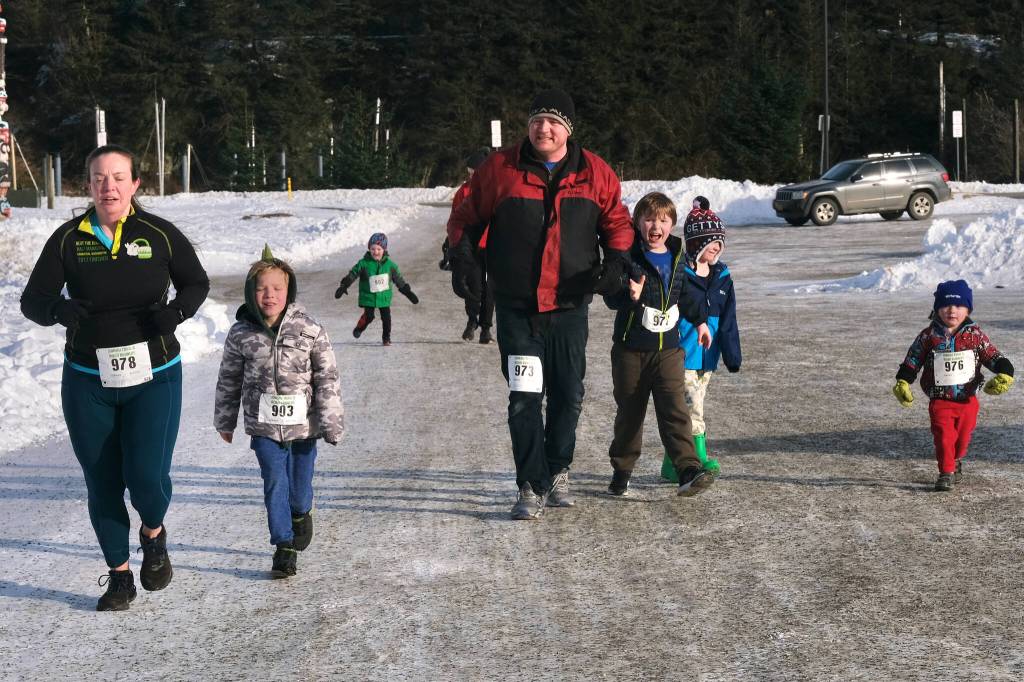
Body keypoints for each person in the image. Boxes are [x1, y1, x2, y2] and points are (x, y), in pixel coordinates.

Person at [20, 144, 210, 611]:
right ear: (88, 185)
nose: (109, 186)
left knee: (146, 478)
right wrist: (56, 308)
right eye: (100, 178)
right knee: (102, 481)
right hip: (88, 380)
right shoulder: (68, 239)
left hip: (155, 375)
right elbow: (32, 299)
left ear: (135, 184)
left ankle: (154, 532)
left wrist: (177, 312)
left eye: (118, 177)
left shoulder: (158, 235)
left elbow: (196, 282)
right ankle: (120, 577)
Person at [447, 88, 634, 520]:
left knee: (568, 394)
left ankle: (557, 470)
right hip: (517, 309)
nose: (543, 128)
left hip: (570, 308)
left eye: (553, 121)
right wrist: (465, 258)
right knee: (525, 396)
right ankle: (530, 485)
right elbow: (466, 218)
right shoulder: (501, 169)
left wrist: (618, 261)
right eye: (536, 120)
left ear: (568, 128)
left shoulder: (595, 173)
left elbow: (617, 223)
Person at [214, 245, 344, 577]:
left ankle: (301, 512)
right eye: (261, 289)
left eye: (277, 288)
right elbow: (229, 378)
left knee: (299, 486)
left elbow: (327, 376)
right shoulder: (241, 333)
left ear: (289, 291)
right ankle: (283, 547)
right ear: (250, 292)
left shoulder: (309, 329)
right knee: (274, 479)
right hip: (264, 425)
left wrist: (330, 422)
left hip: (304, 427)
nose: (269, 295)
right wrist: (225, 420)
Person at [603, 192, 712, 496]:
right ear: (638, 222)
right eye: (649, 218)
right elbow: (611, 297)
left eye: (663, 220)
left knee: (675, 410)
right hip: (631, 351)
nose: (656, 225)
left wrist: (701, 321)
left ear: (672, 224)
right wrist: (629, 294)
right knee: (630, 413)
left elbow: (686, 295)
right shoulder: (628, 256)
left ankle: (687, 470)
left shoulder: (678, 256)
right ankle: (622, 470)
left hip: (669, 351)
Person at [892, 280, 1014, 491]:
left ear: (968, 309)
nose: (952, 310)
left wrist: (1005, 371)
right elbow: (913, 358)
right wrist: (904, 380)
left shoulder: (975, 335)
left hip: (967, 400)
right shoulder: (928, 336)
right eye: (945, 305)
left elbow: (991, 354)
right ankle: (946, 472)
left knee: (963, 437)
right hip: (940, 399)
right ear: (937, 308)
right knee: (944, 436)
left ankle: (956, 460)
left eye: (958, 306)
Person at [661, 197, 742, 483]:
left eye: (719, 241)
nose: (716, 246)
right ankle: (698, 460)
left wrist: (732, 354)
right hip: (682, 353)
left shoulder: (723, 276)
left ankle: (673, 463)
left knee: (693, 407)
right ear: (696, 244)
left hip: (708, 358)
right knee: (692, 405)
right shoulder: (681, 274)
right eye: (710, 242)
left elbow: (729, 320)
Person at [333, 232, 419, 346]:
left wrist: (407, 292)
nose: (376, 252)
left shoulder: (390, 265)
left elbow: (398, 280)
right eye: (373, 249)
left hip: (384, 297)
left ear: (384, 249)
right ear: (369, 249)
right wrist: (344, 286)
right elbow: (353, 274)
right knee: (369, 316)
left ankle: (386, 338)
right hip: (368, 296)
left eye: (379, 249)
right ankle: (359, 328)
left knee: (386, 318)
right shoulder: (363, 264)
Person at [450, 147, 496, 343]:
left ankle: (486, 328)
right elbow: (456, 219)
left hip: (492, 245)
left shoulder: (496, 189)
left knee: (489, 288)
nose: (470, 175)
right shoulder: (464, 191)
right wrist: (454, 246)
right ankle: (471, 321)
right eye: (469, 172)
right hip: (471, 247)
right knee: (473, 285)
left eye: (473, 172)